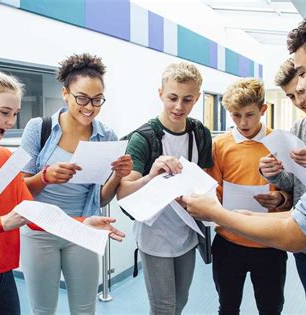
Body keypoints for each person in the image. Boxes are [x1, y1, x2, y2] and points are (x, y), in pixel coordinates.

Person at [182, 10, 306, 314]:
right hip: (236, 245)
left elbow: (294, 231)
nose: (301, 90)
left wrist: (217, 213)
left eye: (303, 73)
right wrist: (234, 213)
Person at [0, 66, 125, 315]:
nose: (11, 122)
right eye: (5, 112)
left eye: (15, 113)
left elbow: (35, 214)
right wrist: (3, 223)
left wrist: (84, 222)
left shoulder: (6, 157)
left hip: (3, 277)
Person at [19, 53, 132, 315]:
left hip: (83, 229)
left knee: (84, 309)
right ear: (65, 93)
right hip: (40, 232)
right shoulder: (39, 128)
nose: (89, 107)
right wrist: (44, 176)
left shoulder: (106, 136)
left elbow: (100, 199)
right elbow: (20, 191)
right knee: (43, 310)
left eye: (97, 100)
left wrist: (117, 175)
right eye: (81, 98)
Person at [117, 62, 213, 315]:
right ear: (160, 94)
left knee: (180, 302)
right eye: (172, 98)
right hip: (155, 236)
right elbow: (124, 193)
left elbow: (206, 179)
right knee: (163, 308)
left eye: (187, 99)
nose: (179, 107)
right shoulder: (143, 138)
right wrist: (151, 175)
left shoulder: (200, 134)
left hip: (187, 232)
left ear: (197, 98)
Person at [205, 78, 292, 315]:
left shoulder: (281, 142)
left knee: (271, 309)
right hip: (229, 243)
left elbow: (296, 190)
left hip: (270, 242)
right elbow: (212, 192)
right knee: (228, 307)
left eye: (250, 114)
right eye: (235, 115)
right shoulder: (219, 146)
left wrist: (281, 199)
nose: (243, 122)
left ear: (263, 110)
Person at [258, 57, 306, 298]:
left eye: (301, 92)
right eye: (290, 97)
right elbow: (294, 183)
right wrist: (274, 174)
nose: (299, 101)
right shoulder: (299, 128)